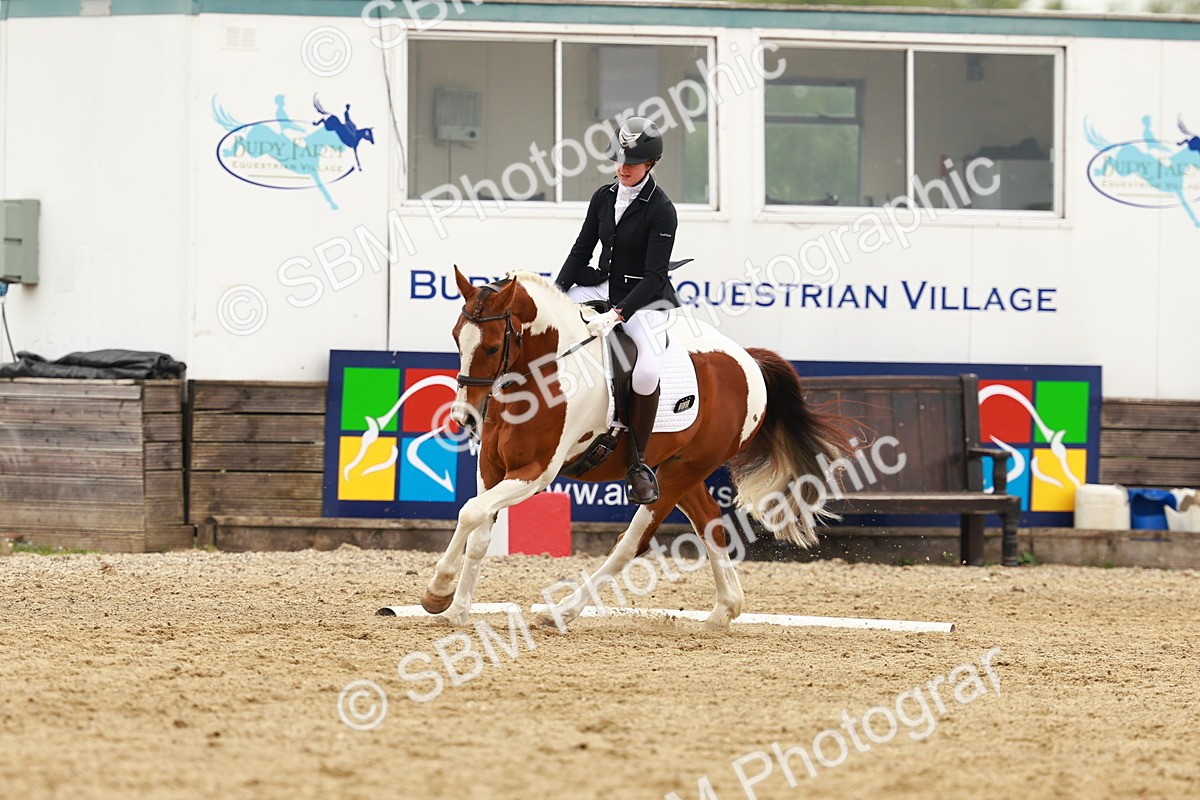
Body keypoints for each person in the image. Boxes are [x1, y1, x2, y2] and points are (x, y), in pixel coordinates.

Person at [554, 116, 678, 505]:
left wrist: (620, 313)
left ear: (651, 165)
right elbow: (580, 251)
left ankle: (639, 462)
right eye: (619, 160)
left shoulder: (662, 210)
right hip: (603, 282)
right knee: (545, 324)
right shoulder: (603, 197)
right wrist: (557, 294)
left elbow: (655, 277)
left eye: (632, 163)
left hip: (644, 297)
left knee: (646, 371)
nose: (623, 168)